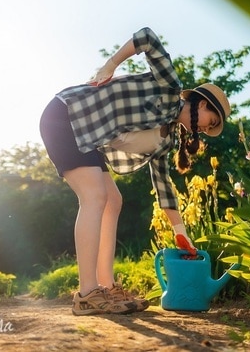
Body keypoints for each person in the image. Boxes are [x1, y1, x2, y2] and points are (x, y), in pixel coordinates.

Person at [39, 27, 231, 316]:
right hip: (67, 115)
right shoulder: (169, 85)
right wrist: (111, 64)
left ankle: (106, 285)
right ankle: (87, 293)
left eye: (210, 127)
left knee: (113, 200)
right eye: (210, 120)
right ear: (201, 104)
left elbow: (163, 184)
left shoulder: (166, 139)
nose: (206, 128)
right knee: (94, 196)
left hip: (87, 135)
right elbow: (147, 38)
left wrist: (180, 231)